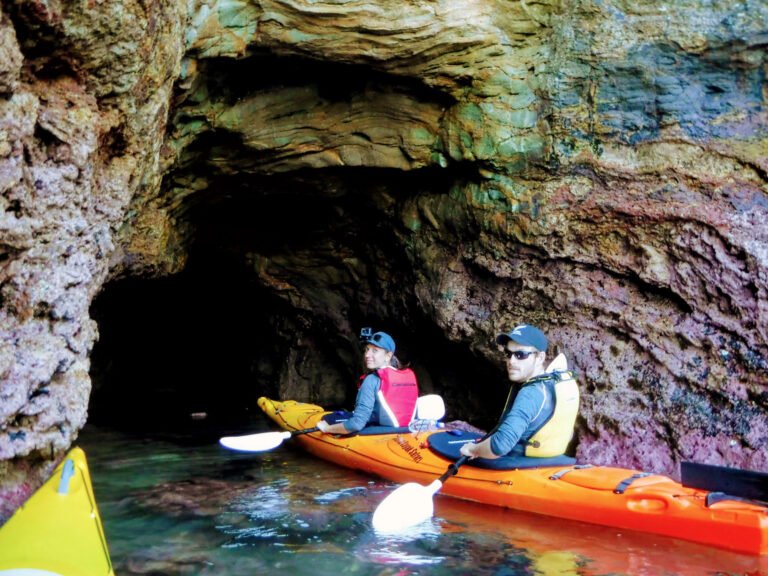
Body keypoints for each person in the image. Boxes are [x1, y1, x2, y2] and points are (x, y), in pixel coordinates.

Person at [460, 324, 579, 459]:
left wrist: (474, 450)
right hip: (547, 461)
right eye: (508, 354)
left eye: (520, 355)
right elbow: (569, 435)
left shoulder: (530, 394)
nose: (511, 361)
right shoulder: (553, 384)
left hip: (517, 465)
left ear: (539, 358)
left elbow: (500, 445)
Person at [316, 330, 419, 434]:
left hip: (383, 433)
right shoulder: (407, 376)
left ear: (388, 355)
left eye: (375, 351)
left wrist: (326, 428)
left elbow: (356, 424)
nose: (367, 355)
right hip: (405, 430)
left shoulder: (372, 380)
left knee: (328, 419)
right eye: (367, 349)